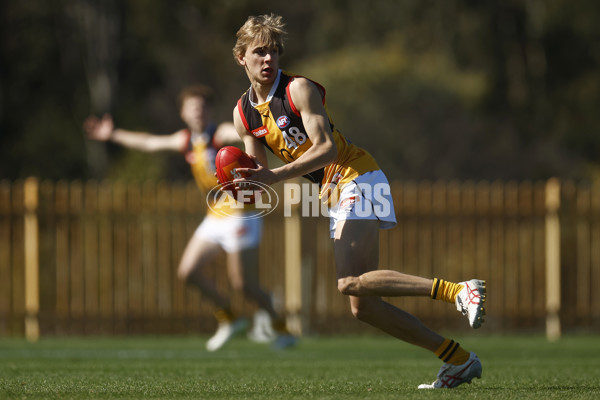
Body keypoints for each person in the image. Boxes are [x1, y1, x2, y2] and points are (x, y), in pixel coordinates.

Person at [230, 14, 486, 389]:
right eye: (259, 53)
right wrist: (240, 184)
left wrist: (274, 177)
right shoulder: (243, 114)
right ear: (241, 58)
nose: (268, 60)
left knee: (348, 281)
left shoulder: (298, 90)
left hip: (357, 174)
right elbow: (259, 174)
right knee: (363, 304)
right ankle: (458, 360)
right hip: (334, 192)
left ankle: (459, 291)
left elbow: (326, 148)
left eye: (273, 52)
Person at [83, 84, 296, 351]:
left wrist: (262, 130)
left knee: (244, 284)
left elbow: (242, 132)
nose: (198, 111)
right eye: (192, 107)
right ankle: (230, 318)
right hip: (215, 216)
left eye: (202, 106)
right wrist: (112, 134)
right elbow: (149, 142)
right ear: (183, 113)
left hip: (242, 215)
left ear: (209, 111)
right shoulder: (186, 140)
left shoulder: (219, 134)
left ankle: (281, 327)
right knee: (188, 272)